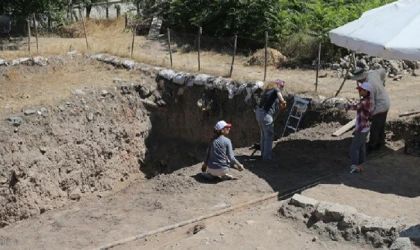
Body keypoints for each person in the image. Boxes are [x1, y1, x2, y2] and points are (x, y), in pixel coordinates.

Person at [352, 67, 390, 153]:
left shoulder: (369, 86)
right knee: (381, 125)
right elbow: (383, 70)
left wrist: (368, 115)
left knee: (375, 128)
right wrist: (383, 82)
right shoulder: (372, 73)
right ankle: (381, 143)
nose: (359, 82)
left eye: (359, 80)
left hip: (380, 106)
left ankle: (372, 146)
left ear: (361, 78)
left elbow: (371, 103)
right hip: (385, 102)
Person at [342, 82, 374, 172]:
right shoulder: (370, 99)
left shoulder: (365, 101)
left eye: (360, 90)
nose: (359, 91)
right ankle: (362, 164)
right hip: (365, 127)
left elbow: (356, 107)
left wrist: (345, 106)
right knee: (361, 147)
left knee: (354, 148)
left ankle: (355, 166)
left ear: (366, 91)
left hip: (361, 128)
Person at [255, 80, 287, 161]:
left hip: (259, 113)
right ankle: (267, 158)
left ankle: (263, 154)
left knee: (263, 134)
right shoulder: (276, 89)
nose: (282, 88)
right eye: (282, 86)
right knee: (269, 136)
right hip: (265, 115)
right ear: (279, 85)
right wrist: (283, 101)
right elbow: (279, 93)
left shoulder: (267, 91)